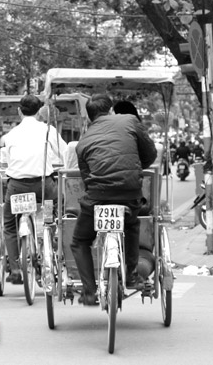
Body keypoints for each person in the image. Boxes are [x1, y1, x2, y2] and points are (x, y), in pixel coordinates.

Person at [72, 93, 157, 306]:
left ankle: (89, 292)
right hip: (129, 193)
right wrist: (135, 168)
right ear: (111, 110)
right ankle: (132, 275)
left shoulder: (83, 142)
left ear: (90, 117)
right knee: (131, 225)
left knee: (80, 241)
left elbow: (86, 179)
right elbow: (150, 154)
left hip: (98, 198)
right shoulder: (130, 121)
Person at [2, 94, 67, 284]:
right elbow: (64, 153)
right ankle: (49, 238)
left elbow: (6, 161)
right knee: (56, 209)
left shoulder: (11, 134)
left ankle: (14, 269)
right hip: (43, 187)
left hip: (16, 187)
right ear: (40, 111)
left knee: (9, 225)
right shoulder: (48, 130)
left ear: (19, 111)